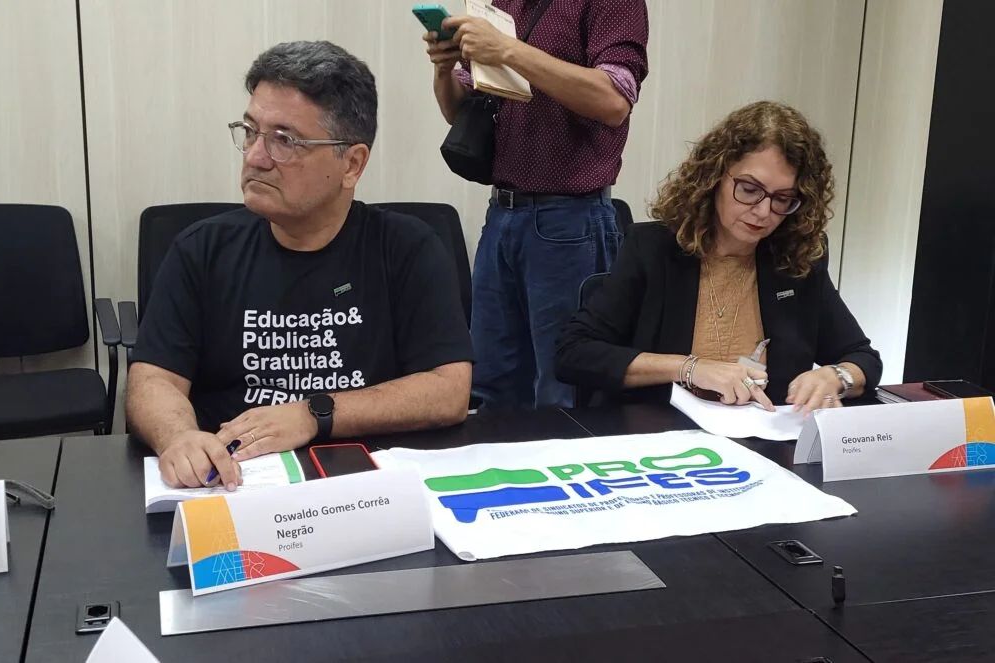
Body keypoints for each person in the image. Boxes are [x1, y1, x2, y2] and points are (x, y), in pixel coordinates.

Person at [127, 41, 473, 489]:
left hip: (365, 483)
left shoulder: (407, 247)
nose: (255, 157)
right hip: (231, 481)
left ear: (352, 164)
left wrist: (314, 413)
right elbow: (153, 378)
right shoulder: (202, 249)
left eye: (284, 141)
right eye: (250, 131)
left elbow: (449, 389)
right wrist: (179, 438)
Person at [555, 101, 882, 412]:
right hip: (662, 433)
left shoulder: (797, 259)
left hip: (763, 438)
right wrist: (689, 368)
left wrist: (836, 377)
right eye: (749, 190)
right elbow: (574, 352)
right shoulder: (653, 249)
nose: (763, 211)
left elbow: (862, 358)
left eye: (783, 199)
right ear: (713, 177)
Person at [424, 0, 649, 409]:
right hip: (502, 214)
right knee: (489, 385)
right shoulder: (503, 4)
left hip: (570, 220)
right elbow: (460, 110)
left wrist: (508, 50)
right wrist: (444, 67)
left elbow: (614, 99)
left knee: (564, 388)